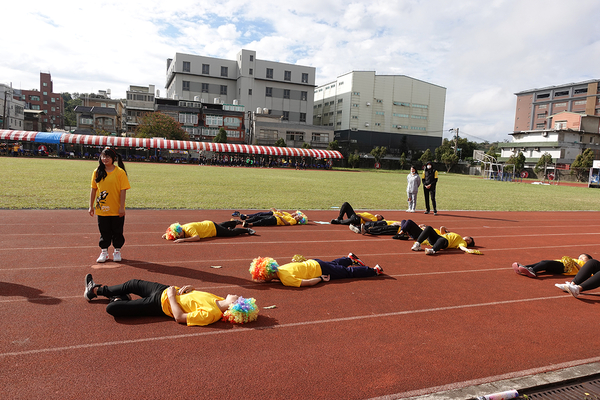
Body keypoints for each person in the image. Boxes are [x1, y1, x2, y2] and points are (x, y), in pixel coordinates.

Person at [83, 274, 258, 325]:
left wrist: (173, 297)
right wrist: (189, 289)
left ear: (235, 305)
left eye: (239, 298)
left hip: (161, 304)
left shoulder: (211, 314)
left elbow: (180, 317)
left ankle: (118, 300)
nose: (238, 295)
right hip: (166, 290)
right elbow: (193, 300)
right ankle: (96, 290)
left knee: (112, 310)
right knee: (133, 283)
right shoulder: (219, 300)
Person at [88, 147, 131, 263]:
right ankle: (104, 252)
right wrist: (90, 206)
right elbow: (93, 189)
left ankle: (117, 251)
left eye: (107, 157)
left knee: (117, 231)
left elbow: (123, 190)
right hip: (102, 209)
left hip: (116, 209)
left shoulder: (120, 173)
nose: (105, 159)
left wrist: (122, 207)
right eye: (103, 156)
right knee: (104, 231)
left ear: (113, 158)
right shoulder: (97, 172)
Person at [249, 253, 384, 287]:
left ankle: (373, 270)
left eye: (262, 277)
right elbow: (296, 265)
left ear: (267, 275)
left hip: (319, 271)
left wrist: (320, 279)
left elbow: (306, 283)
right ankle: (349, 258)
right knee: (333, 263)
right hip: (314, 261)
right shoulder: (282, 267)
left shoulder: (285, 280)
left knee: (346, 273)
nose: (262, 280)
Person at [401, 219, 477, 255]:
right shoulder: (455, 234)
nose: (467, 240)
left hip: (444, 242)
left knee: (442, 239)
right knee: (429, 228)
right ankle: (418, 244)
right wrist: (443, 228)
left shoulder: (462, 242)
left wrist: (467, 250)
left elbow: (462, 247)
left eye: (469, 241)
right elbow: (442, 231)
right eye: (469, 239)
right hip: (437, 238)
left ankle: (432, 250)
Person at [162, 220, 255, 243]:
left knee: (230, 233)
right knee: (221, 226)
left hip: (212, 229)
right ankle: (234, 222)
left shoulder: (189, 229)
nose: (179, 237)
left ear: (180, 230)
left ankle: (246, 230)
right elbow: (173, 232)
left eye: (178, 236)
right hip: (209, 224)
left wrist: (184, 240)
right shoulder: (181, 228)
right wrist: (167, 234)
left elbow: (197, 238)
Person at [512, 254, 592, 278]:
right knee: (543, 262)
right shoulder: (576, 260)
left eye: (583, 257)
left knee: (546, 263)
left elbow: (586, 273)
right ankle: (523, 267)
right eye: (580, 256)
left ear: (589, 260)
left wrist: (576, 264)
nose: (580, 257)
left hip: (565, 267)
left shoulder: (588, 265)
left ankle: (532, 271)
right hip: (561, 264)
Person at [232, 209, 308, 227]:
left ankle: (249, 224)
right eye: (298, 215)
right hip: (274, 217)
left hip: (276, 220)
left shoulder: (294, 221)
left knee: (262, 220)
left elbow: (287, 223)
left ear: (299, 220)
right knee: (259, 216)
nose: (297, 216)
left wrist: (280, 217)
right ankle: (244, 221)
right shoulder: (290, 216)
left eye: (299, 217)